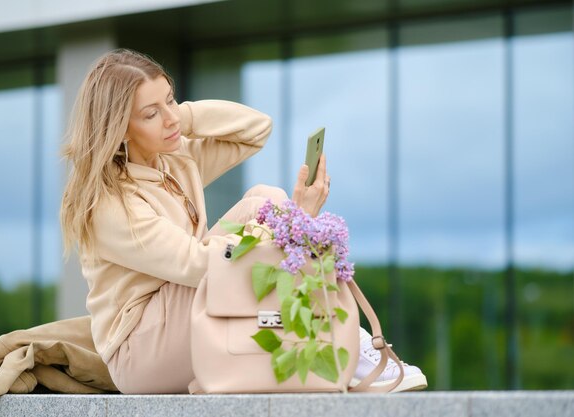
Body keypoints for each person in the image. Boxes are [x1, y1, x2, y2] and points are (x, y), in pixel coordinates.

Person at [60, 48, 426, 394]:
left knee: (265, 197)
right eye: (150, 113)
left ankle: (337, 344)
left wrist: (179, 116)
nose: (170, 117)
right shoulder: (108, 203)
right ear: (120, 127)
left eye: (169, 99)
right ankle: (341, 342)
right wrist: (290, 225)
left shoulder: (174, 162)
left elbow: (256, 129)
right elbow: (196, 265)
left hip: (185, 316)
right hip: (140, 350)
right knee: (267, 216)